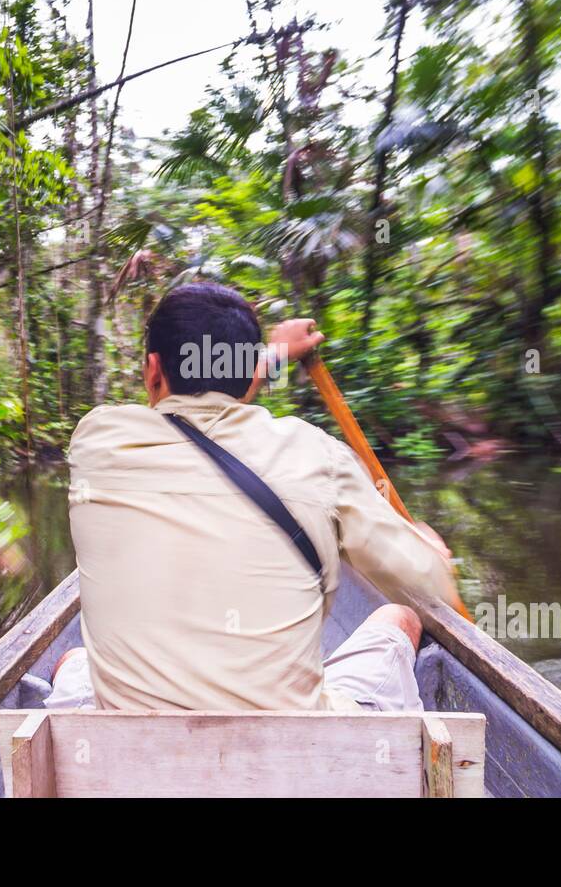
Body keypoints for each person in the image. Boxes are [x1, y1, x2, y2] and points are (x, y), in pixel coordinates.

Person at [45, 282, 457, 712]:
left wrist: (275, 356)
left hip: (129, 754)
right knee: (400, 618)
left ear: (152, 370)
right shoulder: (318, 456)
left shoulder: (96, 441)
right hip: (298, 757)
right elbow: (427, 584)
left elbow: (200, 410)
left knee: (75, 661)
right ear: (247, 375)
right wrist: (430, 554)